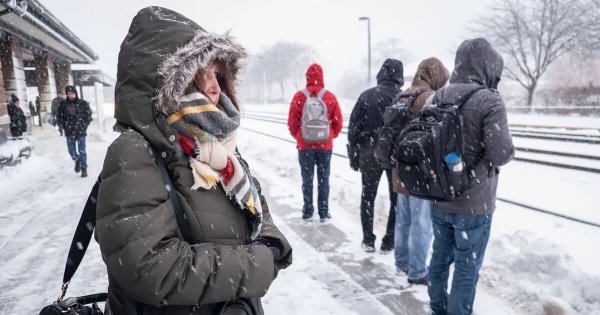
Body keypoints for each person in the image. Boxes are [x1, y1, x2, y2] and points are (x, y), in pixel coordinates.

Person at [95, 7, 292, 315]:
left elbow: (258, 211)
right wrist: (257, 265)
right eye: (202, 75)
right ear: (168, 83)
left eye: (217, 74)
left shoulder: (217, 146)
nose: (215, 87)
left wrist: (271, 241)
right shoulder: (134, 152)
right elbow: (151, 268)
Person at [427, 38, 514, 315]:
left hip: (440, 196)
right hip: (474, 204)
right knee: (467, 266)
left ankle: (438, 309)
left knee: (439, 259)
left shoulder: (436, 97)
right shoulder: (490, 100)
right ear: (486, 66)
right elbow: (500, 154)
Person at [391, 57, 449, 285]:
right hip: (420, 170)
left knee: (403, 219)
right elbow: (438, 135)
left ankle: (402, 262)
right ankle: (416, 271)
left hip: (400, 167)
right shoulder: (429, 98)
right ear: (435, 77)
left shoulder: (403, 94)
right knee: (421, 222)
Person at [347, 59, 403, 253]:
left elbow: (354, 127)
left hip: (369, 152)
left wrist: (353, 153)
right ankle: (389, 241)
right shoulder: (403, 97)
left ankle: (368, 239)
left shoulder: (367, 96)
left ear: (381, 74)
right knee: (395, 199)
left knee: (368, 196)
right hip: (395, 155)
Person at [287, 63, 343, 222]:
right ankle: (324, 212)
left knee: (307, 179)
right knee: (324, 178)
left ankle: (307, 210)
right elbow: (338, 122)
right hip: (325, 146)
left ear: (307, 78)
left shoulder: (299, 96)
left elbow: (292, 122)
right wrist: (329, 136)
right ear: (322, 77)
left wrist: (300, 136)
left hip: (305, 146)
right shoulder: (330, 96)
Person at [57, 86, 92, 177]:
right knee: (71, 150)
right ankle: (77, 160)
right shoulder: (63, 104)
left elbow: (88, 116)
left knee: (82, 150)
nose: (71, 95)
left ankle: (84, 168)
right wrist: (64, 126)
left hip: (81, 131)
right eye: (69, 94)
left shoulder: (83, 103)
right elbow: (59, 117)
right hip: (69, 131)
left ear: (75, 93)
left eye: (72, 93)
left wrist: (84, 126)